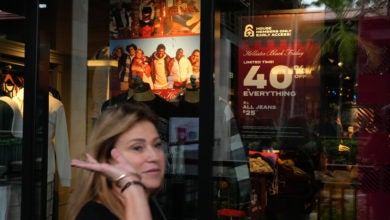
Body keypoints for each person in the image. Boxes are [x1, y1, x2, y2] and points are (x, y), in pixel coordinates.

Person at [67, 103, 167, 220]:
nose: (154, 156)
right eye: (137, 148)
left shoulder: (149, 203)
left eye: (157, 145)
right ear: (108, 159)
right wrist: (132, 186)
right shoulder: (94, 215)